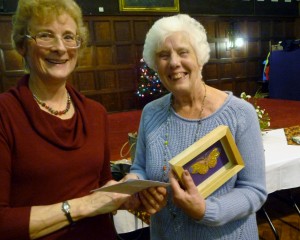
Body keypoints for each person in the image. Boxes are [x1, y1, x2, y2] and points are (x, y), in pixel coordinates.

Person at [0, 0, 166, 239]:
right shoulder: (5, 113)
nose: (60, 47)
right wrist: (84, 205)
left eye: (69, 37)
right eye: (45, 35)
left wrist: (125, 194)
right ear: (22, 45)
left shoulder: (95, 112)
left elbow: (100, 185)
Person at [126, 14, 268, 239]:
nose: (173, 63)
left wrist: (206, 211)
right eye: (164, 55)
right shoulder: (151, 112)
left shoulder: (240, 114)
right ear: (156, 65)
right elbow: (140, 168)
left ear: (199, 58)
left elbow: (254, 191)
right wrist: (134, 183)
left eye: (183, 52)